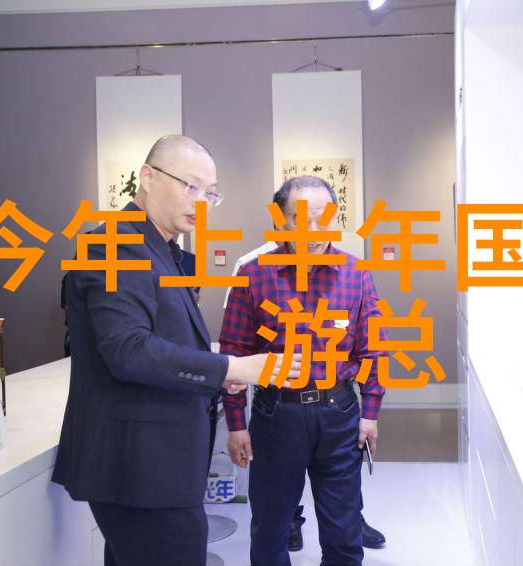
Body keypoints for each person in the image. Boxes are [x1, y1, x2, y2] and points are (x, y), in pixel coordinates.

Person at [51, 135, 300, 566]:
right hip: (140, 465)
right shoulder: (114, 243)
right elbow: (128, 350)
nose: (200, 202)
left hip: (156, 465)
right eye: (191, 186)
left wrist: (220, 370)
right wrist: (233, 367)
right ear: (147, 177)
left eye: (210, 194)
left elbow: (164, 340)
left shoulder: (162, 249)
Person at [221, 175, 387, 566]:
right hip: (276, 415)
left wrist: (370, 414)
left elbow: (373, 348)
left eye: (322, 218)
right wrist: (236, 424)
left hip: (339, 413)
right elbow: (234, 353)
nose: (313, 230)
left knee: (344, 532)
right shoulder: (254, 274)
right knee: (270, 531)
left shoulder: (355, 272)